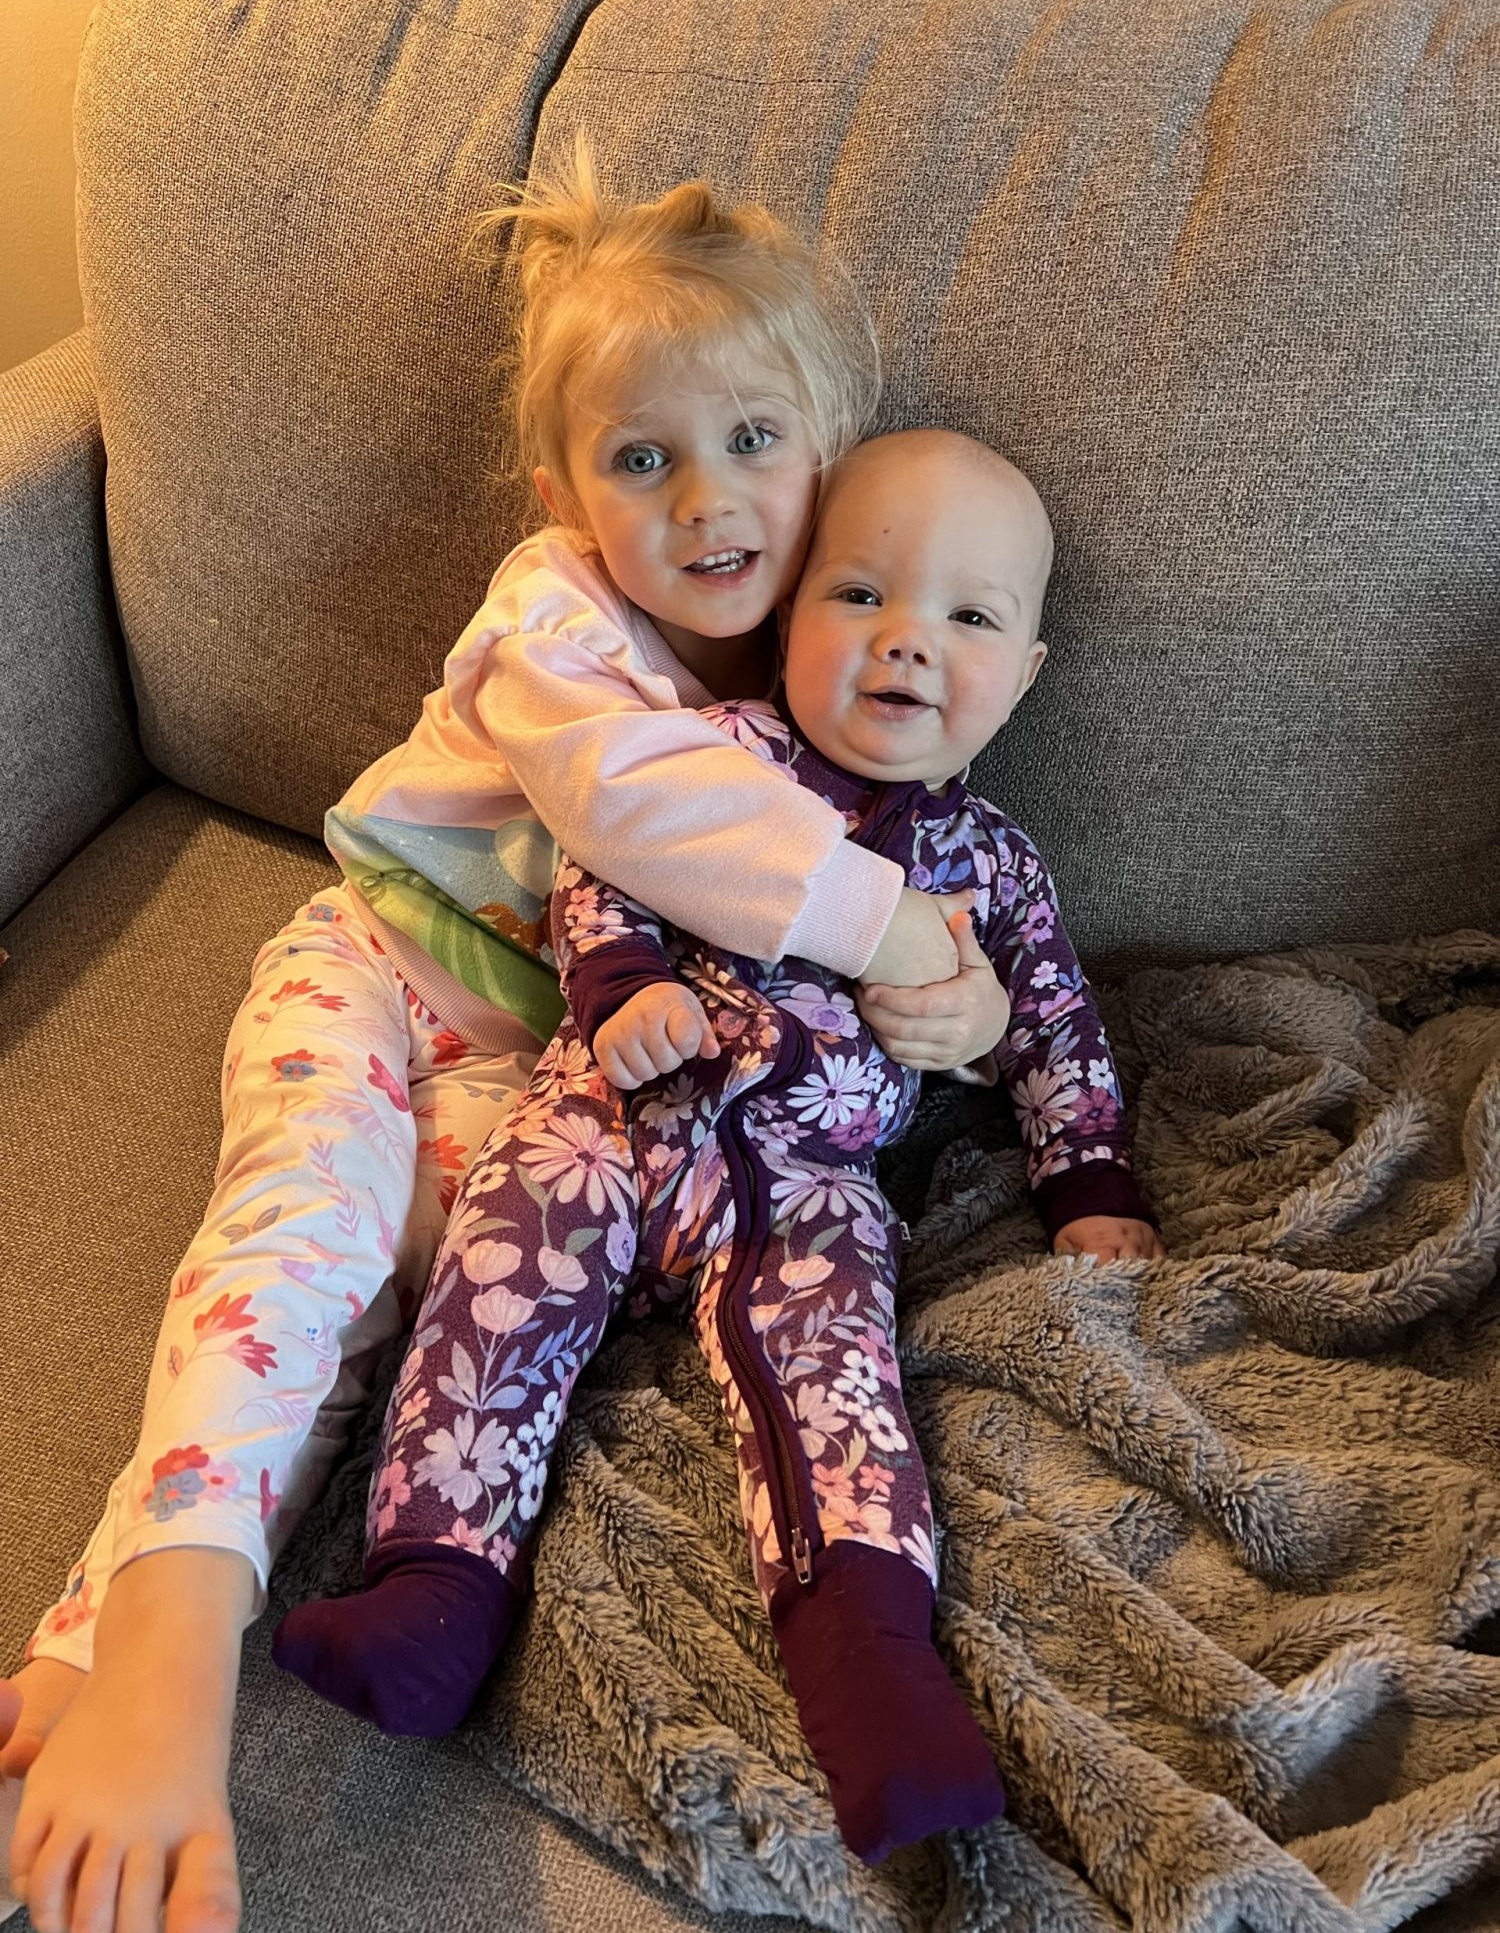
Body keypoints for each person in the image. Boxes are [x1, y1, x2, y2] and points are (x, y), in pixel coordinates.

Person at [1, 157, 1011, 1933]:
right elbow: (642, 809)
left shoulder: (826, 649)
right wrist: (888, 929)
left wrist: (975, 1005)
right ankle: (160, 1647)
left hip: (535, 1074)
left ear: (829, 456)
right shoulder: (548, 620)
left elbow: (954, 856)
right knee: (302, 1224)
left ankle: (109, 1620)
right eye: (643, 459)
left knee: (386, 1306)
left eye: (754, 441)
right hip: (375, 968)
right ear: (566, 497)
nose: (708, 499)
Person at [270, 428, 1164, 1868]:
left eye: (968, 617)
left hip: (812, 1182)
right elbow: (604, 860)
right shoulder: (720, 758)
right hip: (612, 1113)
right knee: (502, 1264)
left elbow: (1055, 1025)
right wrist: (622, 986)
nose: (907, 643)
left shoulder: (995, 866)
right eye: (860, 595)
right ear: (790, 615)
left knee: (839, 1368)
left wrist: (1085, 1176)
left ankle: (875, 1668)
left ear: (1027, 671)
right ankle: (433, 1586)